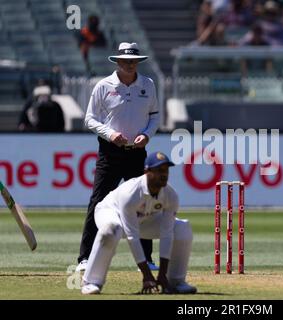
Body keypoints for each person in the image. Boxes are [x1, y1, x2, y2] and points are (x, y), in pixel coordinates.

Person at [76, 42, 159, 272]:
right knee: (98, 201)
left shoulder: (148, 84)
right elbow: (90, 119)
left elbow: (155, 116)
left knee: (143, 203)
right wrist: (111, 134)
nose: (131, 64)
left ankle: (147, 258)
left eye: (134, 61)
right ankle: (84, 258)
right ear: (118, 62)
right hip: (111, 153)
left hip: (136, 153)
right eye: (126, 61)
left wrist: (147, 135)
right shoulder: (104, 86)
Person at [81, 152, 197, 295]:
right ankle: (91, 281)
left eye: (166, 170)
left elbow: (167, 234)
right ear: (147, 172)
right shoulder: (131, 192)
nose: (164, 174)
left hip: (144, 219)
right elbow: (132, 237)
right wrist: (147, 275)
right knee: (111, 229)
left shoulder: (170, 195)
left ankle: (176, 281)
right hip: (110, 212)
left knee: (181, 228)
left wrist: (162, 274)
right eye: (159, 170)